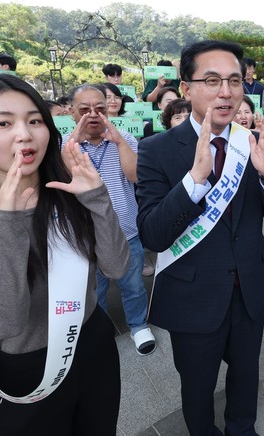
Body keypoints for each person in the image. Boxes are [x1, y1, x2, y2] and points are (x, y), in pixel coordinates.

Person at [0, 73, 128, 434]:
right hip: (26, 366)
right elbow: (2, 323)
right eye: (3, 123)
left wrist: (97, 198)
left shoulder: (70, 192)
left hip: (92, 341)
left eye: (35, 121)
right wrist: (9, 221)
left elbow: (116, 267)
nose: (25, 134)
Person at [136, 40, 264, 435]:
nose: (225, 91)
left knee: (246, 375)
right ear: (186, 89)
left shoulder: (251, 142)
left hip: (249, 288)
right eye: (212, 81)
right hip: (193, 295)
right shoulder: (156, 149)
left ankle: (243, 428)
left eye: (234, 81)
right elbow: (153, 234)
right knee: (197, 386)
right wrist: (194, 181)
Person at [66, 84, 156, 356]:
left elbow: (136, 176)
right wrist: (73, 142)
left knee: (133, 285)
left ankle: (139, 325)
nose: (93, 114)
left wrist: (118, 142)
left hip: (127, 231)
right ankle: (100, 330)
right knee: (95, 290)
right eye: (84, 110)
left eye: (100, 108)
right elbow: (63, 177)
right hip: (87, 236)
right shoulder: (64, 144)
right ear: (71, 112)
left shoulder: (124, 138)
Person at [234, 95, 264, 310]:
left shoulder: (262, 137)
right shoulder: (225, 140)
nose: (243, 116)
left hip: (263, 201)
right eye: (238, 112)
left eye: (247, 111)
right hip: (240, 207)